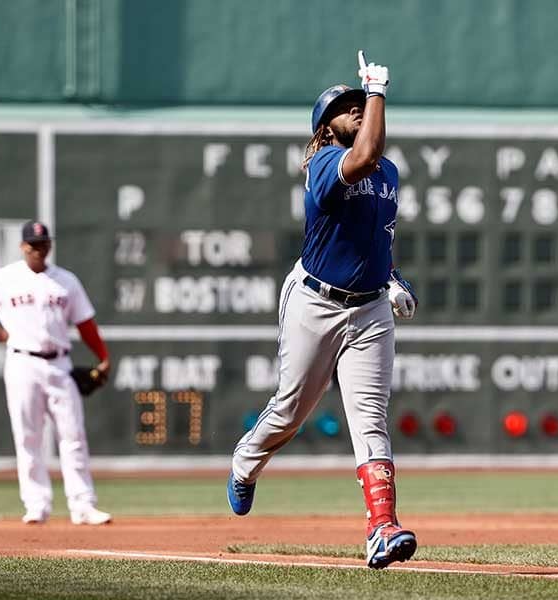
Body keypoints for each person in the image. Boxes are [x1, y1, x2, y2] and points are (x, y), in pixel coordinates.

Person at [227, 51, 419, 569]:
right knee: (291, 410)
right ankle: (246, 462)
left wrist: (390, 276)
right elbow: (365, 154)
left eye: (359, 102)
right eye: (343, 105)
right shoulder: (325, 163)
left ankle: (381, 528)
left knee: (370, 417)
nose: (355, 107)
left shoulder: (389, 173)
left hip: (370, 309)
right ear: (324, 127)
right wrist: (376, 90)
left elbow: (375, 237)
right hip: (315, 300)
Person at [0, 220, 112, 525]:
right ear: (22, 246)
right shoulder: (6, 277)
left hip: (60, 364)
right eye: (33, 244)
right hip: (22, 362)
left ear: (49, 245)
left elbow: (85, 323)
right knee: (28, 436)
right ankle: (36, 504)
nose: (39, 249)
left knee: (74, 435)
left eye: (43, 244)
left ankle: (83, 505)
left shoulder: (66, 281)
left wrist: (103, 356)